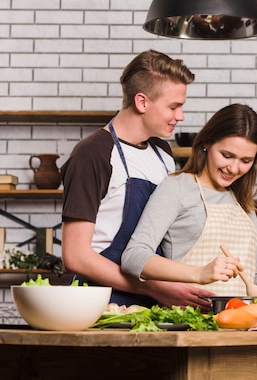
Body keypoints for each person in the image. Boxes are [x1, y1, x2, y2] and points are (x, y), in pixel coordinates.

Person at [61, 49, 211, 309]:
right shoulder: (93, 154)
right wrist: (155, 288)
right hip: (101, 304)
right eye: (174, 106)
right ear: (142, 102)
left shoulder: (162, 153)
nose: (181, 116)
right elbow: (76, 256)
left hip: (155, 303)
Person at [121, 103, 257, 297]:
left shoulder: (242, 201)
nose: (234, 168)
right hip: (191, 320)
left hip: (241, 321)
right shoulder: (177, 187)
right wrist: (200, 273)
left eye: (246, 161)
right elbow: (134, 256)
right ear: (207, 143)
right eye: (227, 156)